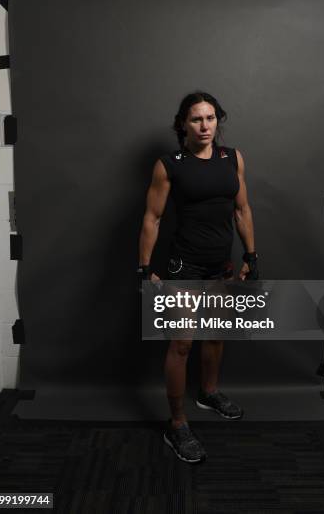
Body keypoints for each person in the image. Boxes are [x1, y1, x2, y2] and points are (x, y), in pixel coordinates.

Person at [137, 91, 258, 463]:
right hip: (183, 268)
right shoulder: (169, 164)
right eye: (196, 119)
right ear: (183, 124)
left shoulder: (231, 158)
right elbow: (152, 218)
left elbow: (242, 210)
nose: (205, 126)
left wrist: (252, 255)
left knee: (216, 337)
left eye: (210, 118)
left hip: (219, 265)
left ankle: (208, 392)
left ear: (218, 120)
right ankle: (177, 424)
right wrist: (144, 267)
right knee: (182, 345)